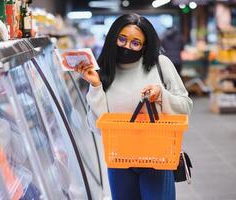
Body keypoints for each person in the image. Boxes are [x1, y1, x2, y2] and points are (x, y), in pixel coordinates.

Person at [75, 13, 193, 200]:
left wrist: (162, 95)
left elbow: (185, 106)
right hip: (119, 161)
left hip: (157, 158)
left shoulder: (160, 64)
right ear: (113, 37)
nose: (127, 46)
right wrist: (96, 87)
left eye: (135, 43)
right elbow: (96, 127)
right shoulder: (105, 71)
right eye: (122, 39)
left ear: (145, 45)